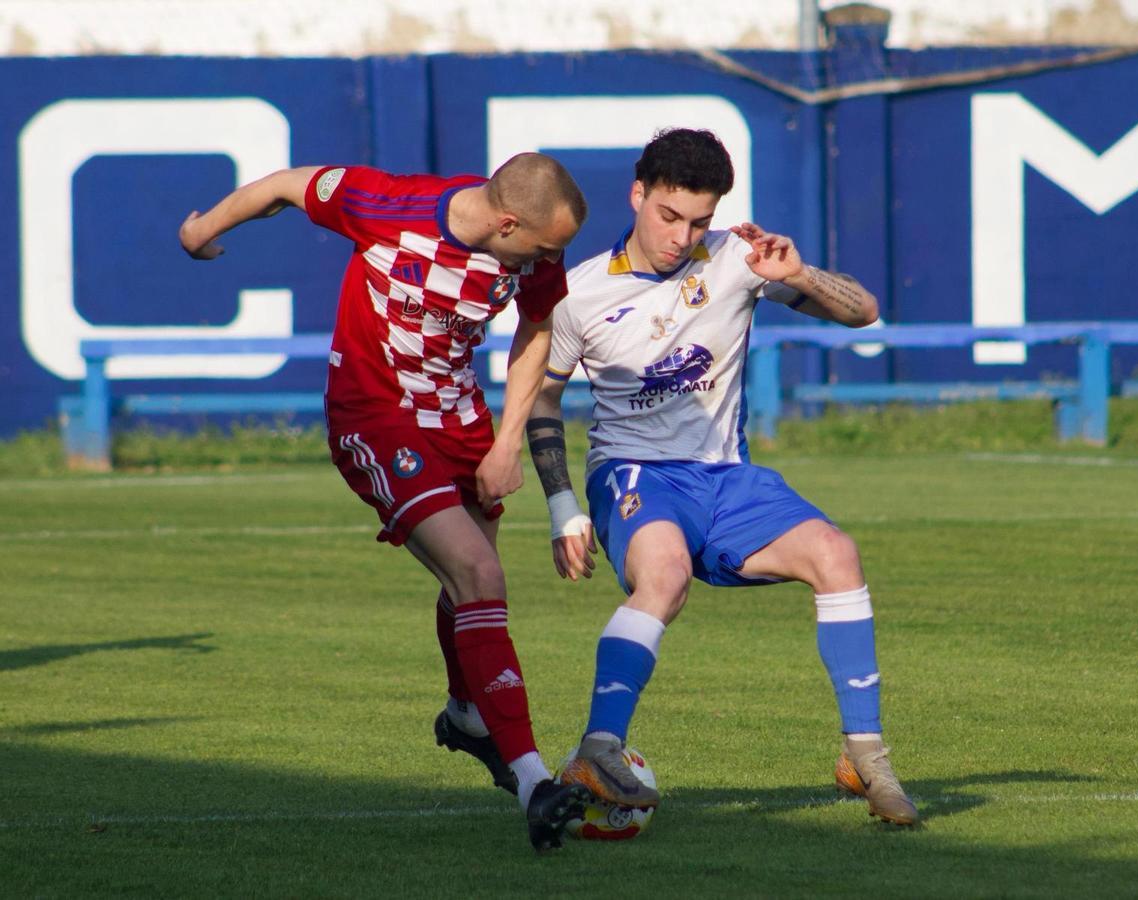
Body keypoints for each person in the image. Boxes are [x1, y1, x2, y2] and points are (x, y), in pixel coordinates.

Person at [179, 153, 594, 851]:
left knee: (473, 581)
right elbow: (285, 186)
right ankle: (532, 780)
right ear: (505, 221)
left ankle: (467, 716)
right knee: (479, 574)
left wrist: (505, 444)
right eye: (547, 248)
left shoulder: (533, 253)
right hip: (375, 414)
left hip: (461, 419)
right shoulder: (386, 204)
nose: (554, 261)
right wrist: (203, 232)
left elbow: (538, 329)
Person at [525, 128, 918, 826]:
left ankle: (866, 754)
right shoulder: (578, 296)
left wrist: (795, 274)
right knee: (666, 575)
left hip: (725, 478)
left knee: (837, 554)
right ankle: (598, 746)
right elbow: (543, 401)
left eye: (699, 221)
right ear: (638, 195)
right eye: (669, 216)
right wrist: (563, 506)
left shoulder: (737, 258)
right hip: (634, 472)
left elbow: (863, 311)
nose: (682, 236)